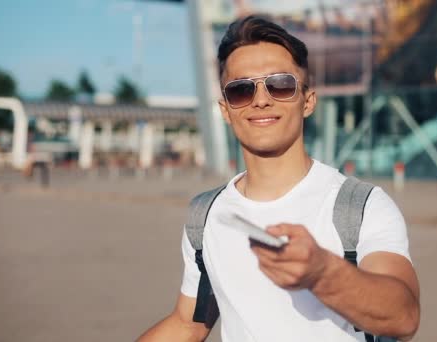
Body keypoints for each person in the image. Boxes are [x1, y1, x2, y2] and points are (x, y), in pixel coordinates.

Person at [138, 15, 420, 342]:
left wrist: (324, 273)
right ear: (226, 109)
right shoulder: (205, 216)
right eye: (241, 90)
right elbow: (188, 324)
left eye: (280, 84)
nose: (261, 99)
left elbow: (404, 316)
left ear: (308, 101)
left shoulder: (359, 207)